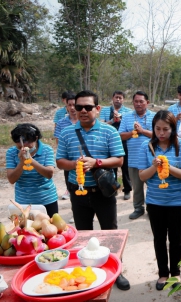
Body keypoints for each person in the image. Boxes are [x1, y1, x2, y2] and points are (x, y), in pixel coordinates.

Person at [55, 90, 130, 290]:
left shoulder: (109, 132)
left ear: (97, 109)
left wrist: (96, 162)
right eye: (79, 107)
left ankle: (116, 271)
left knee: (110, 233)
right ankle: (88, 273)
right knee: (83, 235)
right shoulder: (66, 132)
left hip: (103, 192)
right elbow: (60, 162)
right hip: (78, 192)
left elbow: (119, 159)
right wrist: (75, 164)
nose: (83, 111)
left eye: (88, 107)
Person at [138, 111, 181, 290]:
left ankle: (176, 273)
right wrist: (154, 167)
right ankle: (163, 273)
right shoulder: (147, 147)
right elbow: (141, 176)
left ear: (173, 128)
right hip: (155, 202)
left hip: (177, 202)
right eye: (158, 129)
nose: (161, 133)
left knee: (176, 239)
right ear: (153, 129)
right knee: (159, 239)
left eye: (166, 129)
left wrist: (168, 166)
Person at [6, 123, 59, 217]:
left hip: (46, 199)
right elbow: (11, 179)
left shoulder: (47, 150)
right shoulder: (11, 152)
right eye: (19, 147)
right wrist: (22, 162)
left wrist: (30, 160)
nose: (24, 148)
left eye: (29, 145)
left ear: (36, 138)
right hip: (23, 202)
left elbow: (49, 174)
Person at [118, 91, 156, 220]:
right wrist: (132, 132)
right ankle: (138, 208)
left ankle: (152, 208)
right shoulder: (127, 117)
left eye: (141, 101)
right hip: (134, 158)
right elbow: (120, 135)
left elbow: (159, 135)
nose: (138, 104)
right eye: (136, 101)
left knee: (153, 185)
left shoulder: (155, 116)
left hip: (152, 158)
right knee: (137, 186)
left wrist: (142, 131)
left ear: (147, 102)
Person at [100, 91, 133, 200]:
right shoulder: (105, 110)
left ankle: (127, 190)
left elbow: (130, 127)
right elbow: (101, 124)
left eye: (120, 98)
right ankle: (112, 188)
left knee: (125, 167)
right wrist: (112, 120)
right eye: (116, 97)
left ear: (123, 99)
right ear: (112, 98)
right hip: (108, 141)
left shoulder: (128, 111)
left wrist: (121, 119)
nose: (118, 99)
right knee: (111, 167)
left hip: (124, 141)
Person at [54, 93, 77, 202]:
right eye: (69, 105)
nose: (72, 108)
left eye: (74, 104)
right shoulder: (61, 123)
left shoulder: (84, 122)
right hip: (68, 159)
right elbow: (58, 140)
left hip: (84, 158)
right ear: (66, 106)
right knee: (70, 183)